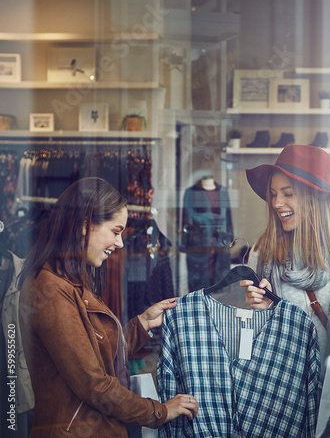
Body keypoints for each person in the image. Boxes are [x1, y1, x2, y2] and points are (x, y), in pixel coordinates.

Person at [18, 177, 198, 437]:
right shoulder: (52, 290)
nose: (120, 243)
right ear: (84, 225)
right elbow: (94, 384)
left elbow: (95, 355)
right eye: (115, 232)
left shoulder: (70, 282)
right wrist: (160, 411)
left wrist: (142, 324)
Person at [240, 145, 330, 375]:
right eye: (274, 194)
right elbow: (251, 336)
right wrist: (259, 308)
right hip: (284, 387)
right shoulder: (263, 251)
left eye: (288, 193)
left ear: (316, 197)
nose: (276, 203)